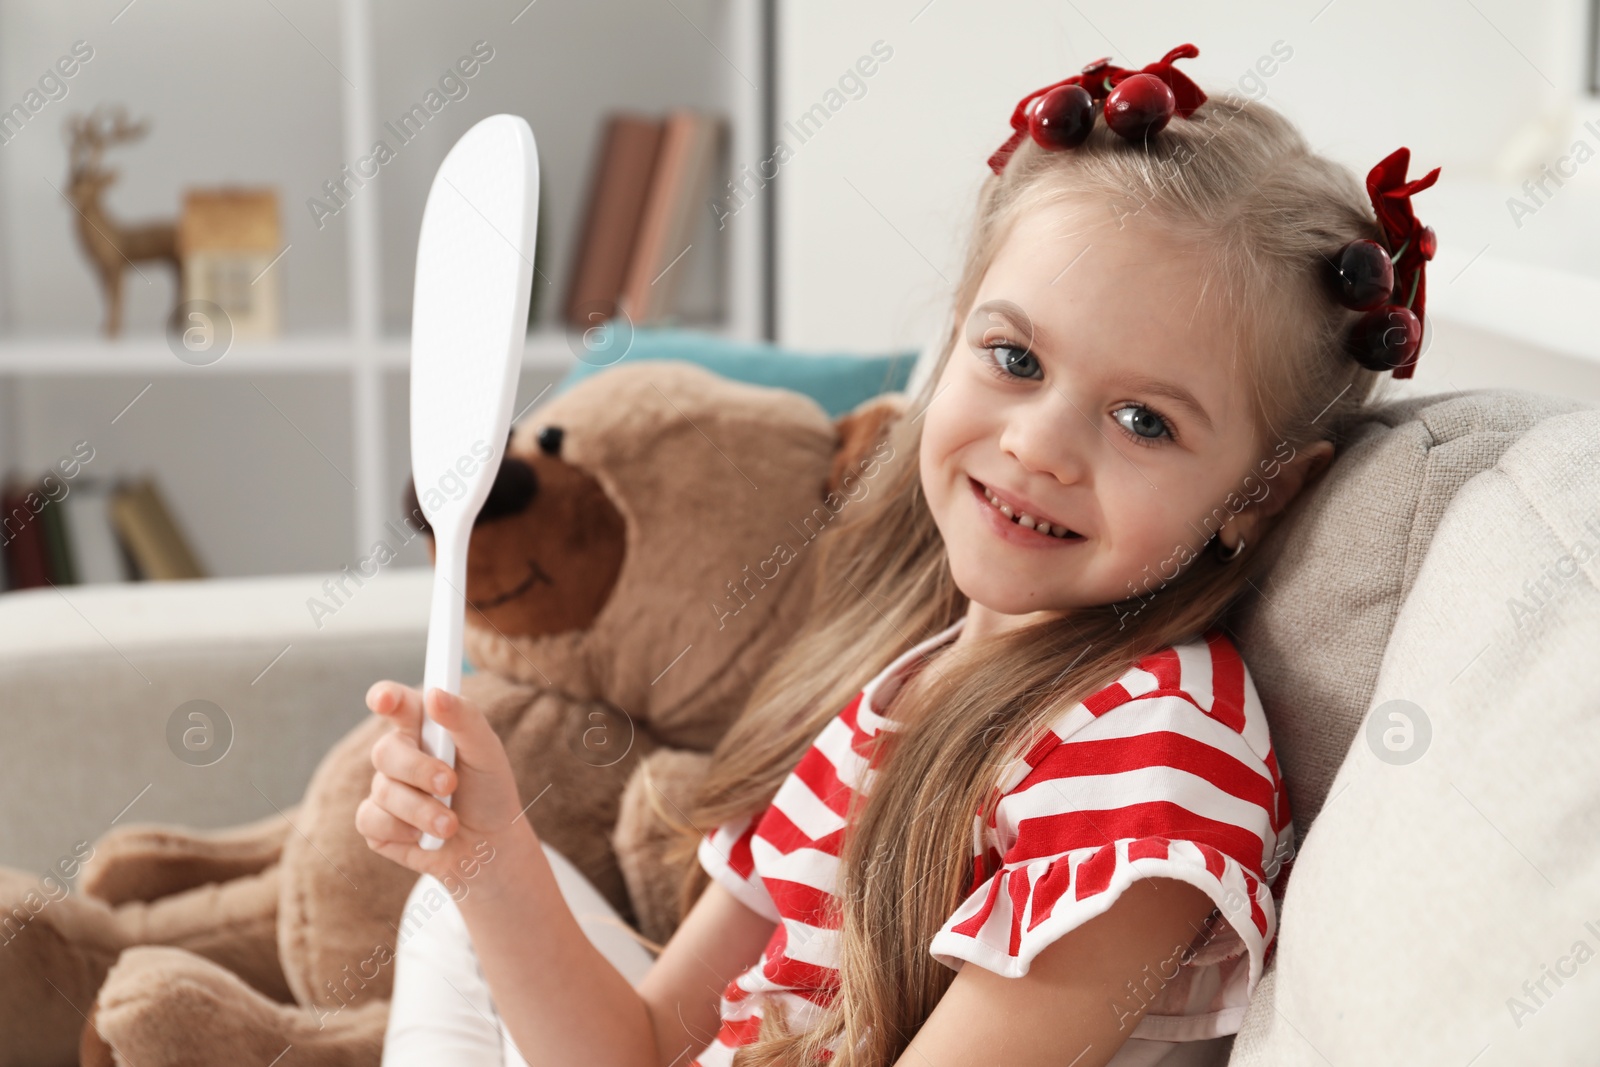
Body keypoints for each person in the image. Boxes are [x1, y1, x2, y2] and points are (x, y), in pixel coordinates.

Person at [359, 44, 1438, 1067]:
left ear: (1263, 494)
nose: (1034, 445)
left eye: (1143, 421)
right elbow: (640, 1045)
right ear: (954, 335)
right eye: (1014, 357)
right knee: (456, 902)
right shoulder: (900, 691)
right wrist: (482, 852)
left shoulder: (1153, 744)